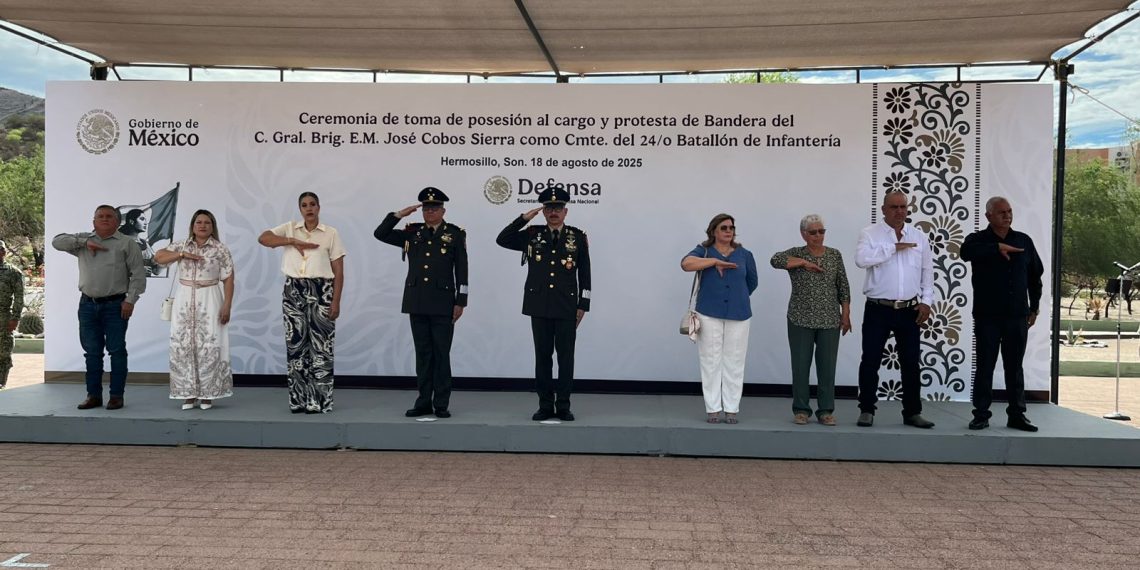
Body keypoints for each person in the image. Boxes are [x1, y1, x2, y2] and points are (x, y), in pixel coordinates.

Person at [496, 187, 590, 421]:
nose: (553, 212)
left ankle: (564, 406)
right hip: (538, 304)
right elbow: (502, 239)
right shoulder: (532, 234)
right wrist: (524, 218)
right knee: (543, 357)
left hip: (567, 305)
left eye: (558, 208)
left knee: (566, 358)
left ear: (566, 211)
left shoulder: (577, 237)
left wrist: (583, 305)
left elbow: (585, 273)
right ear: (544, 211)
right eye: (549, 208)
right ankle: (545, 405)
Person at [374, 187, 468, 418]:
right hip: (417, 301)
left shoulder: (455, 234)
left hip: (444, 302)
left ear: (443, 210)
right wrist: (398, 215)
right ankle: (424, 401)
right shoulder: (412, 233)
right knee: (423, 354)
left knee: (441, 354)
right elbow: (381, 234)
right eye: (426, 208)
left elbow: (462, 270)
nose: (430, 212)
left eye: (434, 208)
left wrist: (461, 301)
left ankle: (442, 403)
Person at [961, 197, 1044, 432]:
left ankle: (1017, 415)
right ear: (988, 216)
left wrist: (1034, 307)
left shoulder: (1023, 240)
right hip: (988, 316)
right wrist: (996, 248)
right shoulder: (977, 240)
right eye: (1001, 212)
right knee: (985, 366)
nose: (1007, 216)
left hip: (1017, 315)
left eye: (1009, 211)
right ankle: (981, 414)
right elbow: (965, 253)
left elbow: (1034, 276)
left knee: (1014, 367)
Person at [52, 205, 147, 410]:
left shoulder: (127, 244)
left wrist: (130, 300)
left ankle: (116, 396)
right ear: (93, 221)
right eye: (100, 216)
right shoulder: (83, 241)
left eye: (109, 216)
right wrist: (86, 242)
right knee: (92, 353)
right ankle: (93, 395)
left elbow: (138, 275)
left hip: (116, 305)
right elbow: (56, 241)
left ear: (117, 221)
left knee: (117, 351)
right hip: (87, 305)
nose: (104, 219)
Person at [258, 192, 346, 414]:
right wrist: (290, 241)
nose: (309, 208)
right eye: (304, 205)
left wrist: (335, 301)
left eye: (312, 204)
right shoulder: (289, 228)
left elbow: (338, 270)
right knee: (295, 345)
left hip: (322, 289)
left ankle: (319, 400)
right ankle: (298, 399)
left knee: (321, 347)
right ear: (300, 208)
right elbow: (264, 239)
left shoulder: (330, 233)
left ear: (319, 207)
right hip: (294, 290)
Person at [854, 191, 935, 428]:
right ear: (883, 210)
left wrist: (927, 302)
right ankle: (867, 409)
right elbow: (861, 259)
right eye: (894, 207)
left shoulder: (919, 236)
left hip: (909, 308)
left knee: (911, 362)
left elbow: (927, 272)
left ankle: (912, 412)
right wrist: (892, 247)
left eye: (903, 207)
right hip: (879, 308)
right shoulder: (870, 234)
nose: (899, 211)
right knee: (870, 360)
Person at [770, 214, 851, 426]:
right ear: (804, 234)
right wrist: (803, 263)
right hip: (800, 317)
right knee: (800, 366)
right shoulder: (796, 253)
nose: (818, 236)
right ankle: (801, 409)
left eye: (821, 231)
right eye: (813, 232)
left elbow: (843, 286)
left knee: (827, 367)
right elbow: (775, 260)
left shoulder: (834, 255)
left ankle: (825, 410)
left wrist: (846, 314)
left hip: (829, 320)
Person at [154, 210, 235, 410]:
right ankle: (187, 394)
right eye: (198, 222)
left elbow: (229, 278)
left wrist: (227, 304)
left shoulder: (220, 249)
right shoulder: (182, 245)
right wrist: (181, 254)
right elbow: (159, 257)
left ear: (212, 226)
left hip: (210, 297)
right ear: (192, 225)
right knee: (184, 344)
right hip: (184, 299)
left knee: (209, 343)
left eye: (207, 222)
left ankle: (208, 394)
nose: (202, 225)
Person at [681, 214, 758, 424]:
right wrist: (714, 261)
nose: (728, 231)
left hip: (739, 313)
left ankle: (732, 408)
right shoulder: (704, 251)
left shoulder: (745, 254)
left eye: (731, 227)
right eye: (723, 227)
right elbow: (686, 264)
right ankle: (713, 408)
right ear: (713, 231)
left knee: (734, 361)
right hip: (709, 312)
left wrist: (736, 296)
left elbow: (752, 282)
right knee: (710, 360)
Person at [0, 240, 24, 389]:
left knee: (3, 351)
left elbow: (19, 297)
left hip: (3, 316)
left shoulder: (13, 272)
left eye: (1, 250)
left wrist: (15, 318)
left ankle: (1, 380)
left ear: (4, 252)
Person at [119, 208, 159, 276]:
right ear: (131, 221)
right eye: (142, 219)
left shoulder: (144, 243)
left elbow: (156, 270)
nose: (146, 223)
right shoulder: (121, 241)